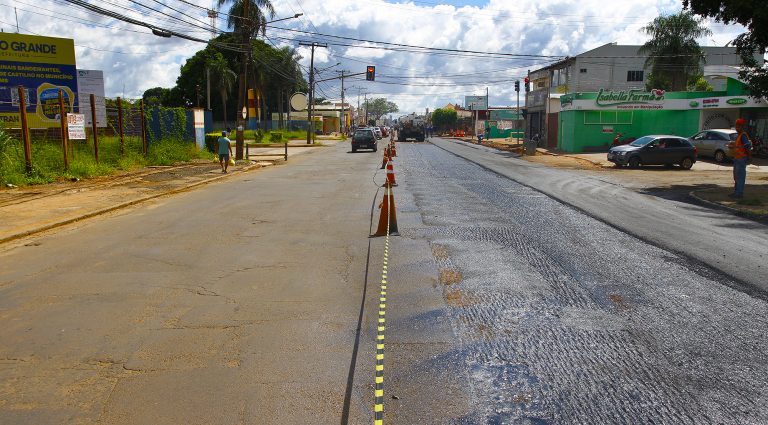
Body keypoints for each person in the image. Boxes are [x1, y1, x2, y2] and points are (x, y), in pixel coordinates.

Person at [727, 118, 753, 198]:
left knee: (740, 177)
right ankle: (736, 192)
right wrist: (732, 146)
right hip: (737, 158)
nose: (737, 128)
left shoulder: (743, 135)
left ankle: (739, 193)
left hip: (741, 159)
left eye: (739, 126)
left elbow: (747, 147)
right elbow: (739, 146)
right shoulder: (739, 136)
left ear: (742, 127)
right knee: (736, 177)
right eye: (736, 126)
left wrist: (749, 156)